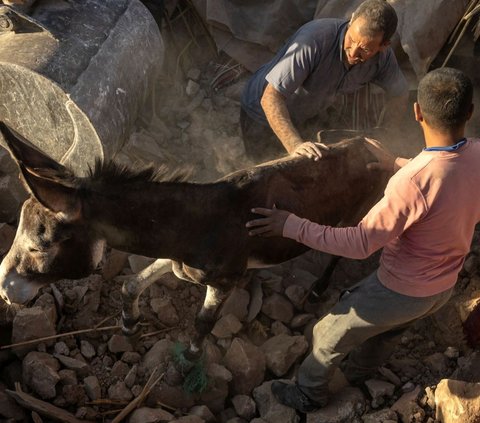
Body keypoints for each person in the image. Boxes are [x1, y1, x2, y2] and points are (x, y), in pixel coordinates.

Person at [245, 67, 480, 413]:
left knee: (327, 334)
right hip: (442, 287)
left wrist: (290, 224)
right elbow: (444, 174)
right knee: (389, 332)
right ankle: (360, 373)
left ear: (417, 111)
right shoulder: (475, 153)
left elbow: (359, 244)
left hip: (401, 289)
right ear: (470, 113)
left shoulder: (412, 182)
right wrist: (395, 162)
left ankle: (309, 394)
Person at [240, 0, 409, 163]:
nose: (353, 52)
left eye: (365, 49)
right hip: (261, 113)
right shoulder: (313, 40)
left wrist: (386, 135)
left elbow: (400, 93)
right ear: (351, 21)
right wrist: (295, 146)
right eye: (351, 39)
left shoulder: (384, 59)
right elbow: (270, 98)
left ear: (384, 46)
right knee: (270, 179)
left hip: (307, 114)